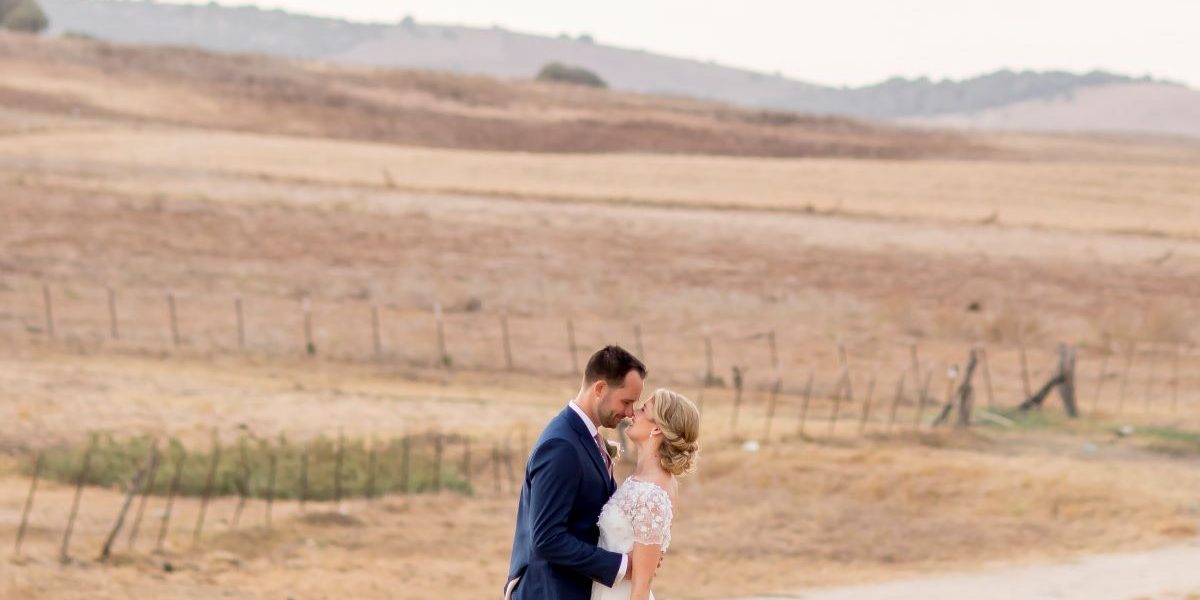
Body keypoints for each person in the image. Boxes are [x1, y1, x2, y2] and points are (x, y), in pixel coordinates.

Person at [504, 345, 647, 599]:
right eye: (626, 402)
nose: (628, 413)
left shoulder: (584, 437)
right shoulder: (561, 446)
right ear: (600, 389)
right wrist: (623, 565)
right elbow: (547, 538)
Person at [591, 388, 700, 600]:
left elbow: (641, 585)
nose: (633, 413)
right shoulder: (642, 478)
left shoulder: (652, 495)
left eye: (643, 409)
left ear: (657, 429)